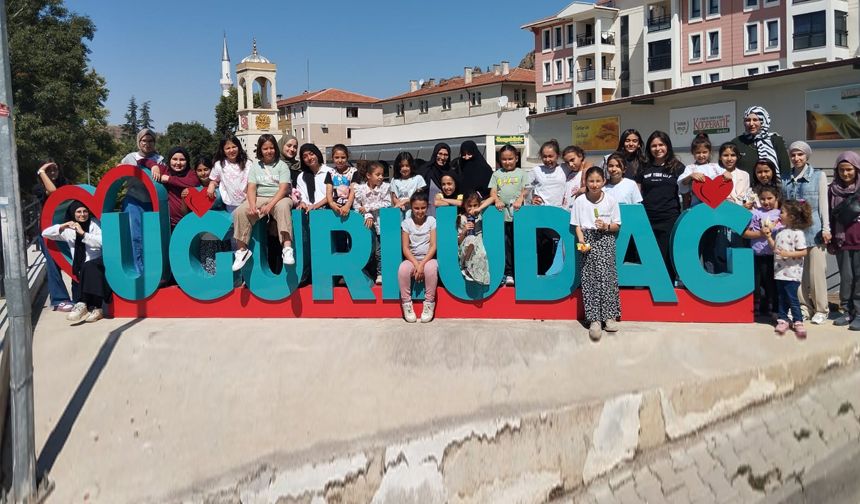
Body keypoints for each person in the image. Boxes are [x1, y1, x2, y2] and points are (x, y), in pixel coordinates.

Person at [231, 134, 296, 272]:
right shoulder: (255, 167)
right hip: (260, 196)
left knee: (283, 207)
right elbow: (252, 187)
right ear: (260, 150)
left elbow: (284, 188)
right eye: (265, 148)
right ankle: (242, 250)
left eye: (272, 148)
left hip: (279, 196)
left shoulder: (282, 165)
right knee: (240, 211)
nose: (269, 151)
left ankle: (287, 247)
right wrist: (252, 205)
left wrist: (270, 205)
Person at [781, 141, 830, 324]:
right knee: (797, 273)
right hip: (793, 232)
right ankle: (803, 307)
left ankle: (821, 309)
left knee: (816, 273)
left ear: (807, 156)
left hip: (815, 230)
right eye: (793, 155)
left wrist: (826, 228)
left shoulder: (819, 176)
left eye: (800, 154)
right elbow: (784, 206)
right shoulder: (785, 177)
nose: (796, 158)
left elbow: (823, 206)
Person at [572, 166, 622, 341]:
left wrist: (606, 226)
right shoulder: (579, 201)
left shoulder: (611, 200)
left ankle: (609, 316)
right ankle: (594, 319)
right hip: (586, 239)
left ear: (604, 182)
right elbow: (577, 225)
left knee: (607, 277)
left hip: (605, 239)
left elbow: (617, 224)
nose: (594, 184)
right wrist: (581, 240)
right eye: (591, 181)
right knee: (589, 278)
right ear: (585, 182)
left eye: (597, 181)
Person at [41, 201, 109, 323]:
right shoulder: (69, 229)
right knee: (82, 269)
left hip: (97, 261)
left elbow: (103, 241)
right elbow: (45, 233)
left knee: (89, 266)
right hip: (80, 266)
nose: (82, 214)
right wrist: (63, 225)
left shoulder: (94, 224)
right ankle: (87, 306)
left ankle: (93, 307)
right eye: (78, 212)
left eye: (85, 211)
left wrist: (84, 234)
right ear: (73, 213)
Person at [635, 131, 684, 283]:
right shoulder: (644, 167)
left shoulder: (677, 167)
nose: (657, 148)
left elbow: (686, 191)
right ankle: (649, 288)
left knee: (665, 255)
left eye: (661, 145)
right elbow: (637, 193)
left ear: (667, 146)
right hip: (647, 218)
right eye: (653, 145)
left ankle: (667, 288)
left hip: (669, 218)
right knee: (647, 255)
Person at [763, 200, 812, 338]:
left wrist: (788, 254)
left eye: (782, 212)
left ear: (791, 217)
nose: (780, 214)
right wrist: (768, 237)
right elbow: (775, 249)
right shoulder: (779, 232)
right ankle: (783, 319)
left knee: (792, 298)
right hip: (779, 272)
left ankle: (798, 321)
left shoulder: (798, 234)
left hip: (792, 273)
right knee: (781, 297)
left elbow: (803, 252)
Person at [120, 128, 165, 274]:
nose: (147, 143)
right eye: (144, 140)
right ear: (139, 142)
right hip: (134, 201)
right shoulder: (130, 157)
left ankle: (153, 271)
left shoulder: (160, 159)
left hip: (153, 202)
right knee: (135, 237)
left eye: (151, 140)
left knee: (152, 238)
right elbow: (119, 172)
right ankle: (139, 270)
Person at [33, 160, 73, 311]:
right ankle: (59, 299)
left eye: (55, 169)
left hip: (65, 229)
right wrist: (41, 172)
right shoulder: (38, 188)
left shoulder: (66, 183)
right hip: (48, 231)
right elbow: (53, 192)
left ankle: (79, 295)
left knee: (74, 260)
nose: (53, 172)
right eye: (48, 170)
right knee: (53, 264)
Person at [827, 151, 860, 330]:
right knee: (846, 278)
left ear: (857, 169)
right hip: (842, 241)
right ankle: (847, 311)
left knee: (859, 279)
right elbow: (830, 217)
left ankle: (859, 313)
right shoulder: (832, 190)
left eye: (849, 169)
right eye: (841, 170)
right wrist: (830, 238)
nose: (845, 173)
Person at [487, 144, 528, 286]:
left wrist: (520, 199)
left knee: (519, 245)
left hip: (519, 217)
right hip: (502, 218)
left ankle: (521, 273)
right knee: (506, 245)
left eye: (510, 158)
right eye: (504, 159)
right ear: (499, 160)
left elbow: (526, 190)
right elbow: (492, 191)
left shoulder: (522, 173)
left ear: (516, 158)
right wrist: (497, 200)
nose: (507, 162)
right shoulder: (496, 174)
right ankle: (508, 273)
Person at [530, 140, 570, 274]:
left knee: (558, 249)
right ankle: (541, 275)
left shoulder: (565, 168)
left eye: (550, 156)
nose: (547, 159)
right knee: (542, 248)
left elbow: (584, 164)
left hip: (560, 215)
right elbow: (524, 188)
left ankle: (556, 276)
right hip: (541, 216)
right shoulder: (536, 170)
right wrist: (532, 198)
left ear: (557, 155)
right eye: (544, 156)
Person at [743, 185, 783, 317]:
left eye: (770, 198)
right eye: (763, 199)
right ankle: (756, 308)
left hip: (774, 256)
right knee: (756, 283)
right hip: (756, 255)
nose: (766, 202)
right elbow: (745, 233)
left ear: (777, 198)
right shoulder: (754, 213)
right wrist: (760, 233)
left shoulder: (781, 214)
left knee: (772, 284)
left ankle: (775, 309)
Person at [399, 192, 438, 323]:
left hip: (428, 258)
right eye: (416, 208)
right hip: (412, 259)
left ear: (427, 207)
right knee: (403, 270)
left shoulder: (432, 221)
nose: (420, 211)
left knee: (431, 269)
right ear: (411, 207)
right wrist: (416, 264)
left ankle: (429, 303)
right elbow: (405, 248)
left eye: (423, 208)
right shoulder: (406, 223)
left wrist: (422, 265)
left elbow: (433, 246)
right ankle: (406, 303)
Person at [353, 161, 391, 284]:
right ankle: (366, 272)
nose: (381, 177)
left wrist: (368, 208)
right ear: (369, 176)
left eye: (382, 174)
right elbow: (357, 205)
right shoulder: (360, 189)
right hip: (366, 224)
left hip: (382, 223)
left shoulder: (385, 187)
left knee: (380, 250)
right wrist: (367, 215)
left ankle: (380, 273)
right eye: (378, 174)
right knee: (368, 249)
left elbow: (387, 203)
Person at [731, 105, 790, 179]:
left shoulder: (775, 140)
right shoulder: (737, 142)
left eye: (755, 120)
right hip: (745, 188)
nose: (751, 124)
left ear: (763, 121)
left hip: (772, 189)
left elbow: (785, 169)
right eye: (748, 120)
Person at [678, 133, 727, 208]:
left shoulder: (715, 167)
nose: (701, 155)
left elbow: (726, 175)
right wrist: (691, 176)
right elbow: (682, 182)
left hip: (716, 205)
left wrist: (727, 174)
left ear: (709, 152)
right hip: (697, 206)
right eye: (698, 153)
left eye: (704, 152)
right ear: (693, 153)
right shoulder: (690, 168)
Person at [156, 147, 200, 229]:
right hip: (169, 223)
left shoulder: (191, 174)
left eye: (182, 160)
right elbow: (144, 161)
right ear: (169, 160)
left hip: (189, 221)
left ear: (187, 161)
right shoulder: (166, 170)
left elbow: (193, 183)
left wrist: (169, 179)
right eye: (175, 159)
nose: (178, 163)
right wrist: (154, 167)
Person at [207, 135, 251, 214]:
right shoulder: (219, 165)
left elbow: (252, 182)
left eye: (234, 147)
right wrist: (211, 185)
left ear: (239, 147)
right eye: (228, 148)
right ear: (223, 150)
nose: (231, 150)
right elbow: (214, 180)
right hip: (230, 206)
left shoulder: (248, 163)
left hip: (247, 203)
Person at [457, 193, 490, 285]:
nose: (472, 208)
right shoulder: (461, 218)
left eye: (475, 205)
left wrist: (479, 209)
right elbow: (458, 241)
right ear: (464, 206)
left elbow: (491, 198)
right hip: (466, 246)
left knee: (481, 254)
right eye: (469, 206)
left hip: (478, 244)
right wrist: (464, 231)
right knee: (471, 239)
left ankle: (477, 275)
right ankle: (465, 266)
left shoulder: (480, 215)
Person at [419, 142, 456, 217]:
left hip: (447, 214)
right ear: (435, 153)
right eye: (440, 153)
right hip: (427, 215)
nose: (442, 157)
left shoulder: (452, 173)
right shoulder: (425, 171)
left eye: (446, 155)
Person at [561, 145, 588, 211]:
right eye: (567, 162)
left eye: (572, 160)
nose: (570, 164)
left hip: (579, 212)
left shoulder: (588, 173)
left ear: (580, 156)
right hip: (566, 212)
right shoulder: (569, 174)